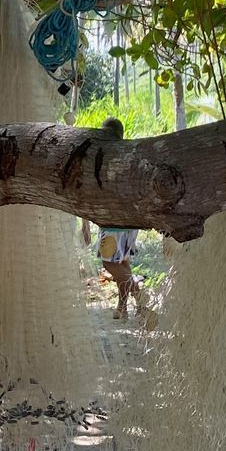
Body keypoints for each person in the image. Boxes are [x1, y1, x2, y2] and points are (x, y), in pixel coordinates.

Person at [90, 118, 143, 321]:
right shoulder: (129, 154)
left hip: (112, 220)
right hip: (130, 221)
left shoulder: (104, 156)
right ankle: (123, 308)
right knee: (122, 262)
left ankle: (138, 293)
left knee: (109, 264)